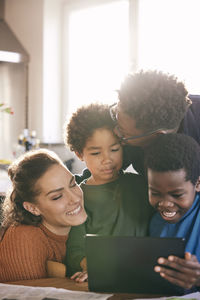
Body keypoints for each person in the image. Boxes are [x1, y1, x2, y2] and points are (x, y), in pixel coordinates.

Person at [64, 103, 153, 282]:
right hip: (104, 276)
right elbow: (75, 250)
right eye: (96, 153)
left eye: (114, 149)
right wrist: (93, 266)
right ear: (80, 154)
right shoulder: (78, 196)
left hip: (141, 274)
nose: (107, 160)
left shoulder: (140, 184)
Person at [0, 149, 87, 282]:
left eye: (73, 184)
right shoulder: (24, 238)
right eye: (57, 197)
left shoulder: (82, 225)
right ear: (33, 208)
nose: (75, 198)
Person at [108, 70, 200, 176]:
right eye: (114, 112)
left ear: (158, 136)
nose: (115, 132)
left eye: (124, 134)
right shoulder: (125, 112)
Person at [145, 133, 200, 292]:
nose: (165, 204)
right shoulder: (154, 221)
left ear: (197, 184)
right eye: (155, 193)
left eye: (177, 195)